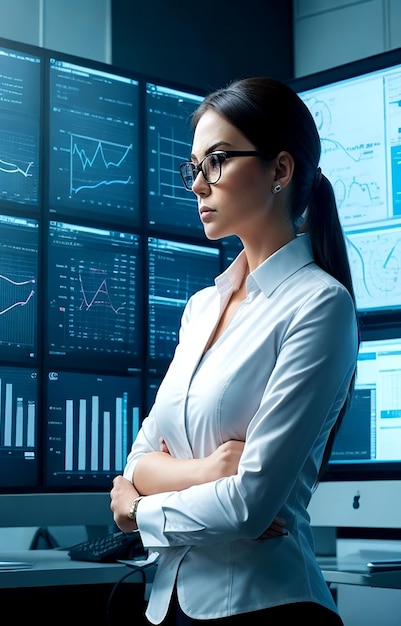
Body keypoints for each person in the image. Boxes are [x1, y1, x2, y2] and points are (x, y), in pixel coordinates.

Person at [110, 76, 360, 625]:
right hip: (169, 610)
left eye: (217, 160)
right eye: (194, 166)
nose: (198, 184)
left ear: (280, 170)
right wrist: (210, 472)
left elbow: (249, 507)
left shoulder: (320, 305)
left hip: (266, 610)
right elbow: (137, 459)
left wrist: (138, 510)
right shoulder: (202, 306)